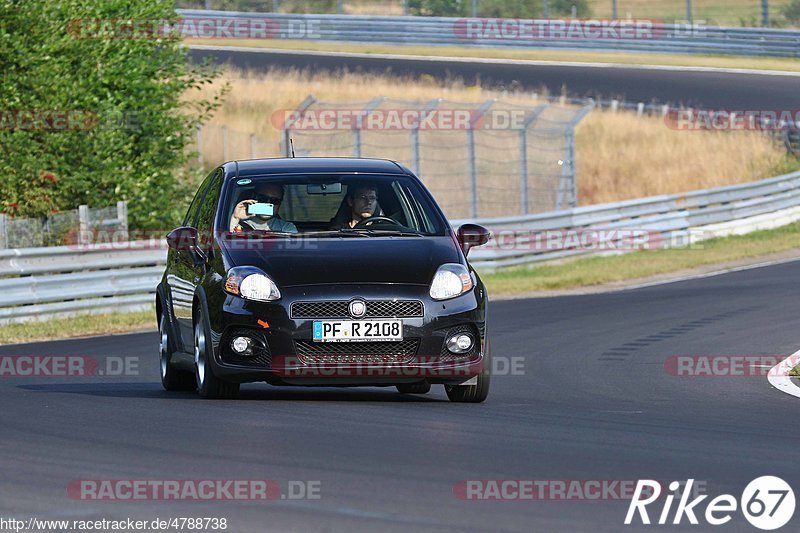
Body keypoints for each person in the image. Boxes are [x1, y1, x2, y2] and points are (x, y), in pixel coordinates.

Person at [229, 183, 297, 233]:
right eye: (263, 198)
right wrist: (235, 218)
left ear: (279, 204)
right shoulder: (237, 224)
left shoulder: (286, 228)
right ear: (253, 197)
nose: (268, 203)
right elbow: (227, 245)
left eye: (274, 200)